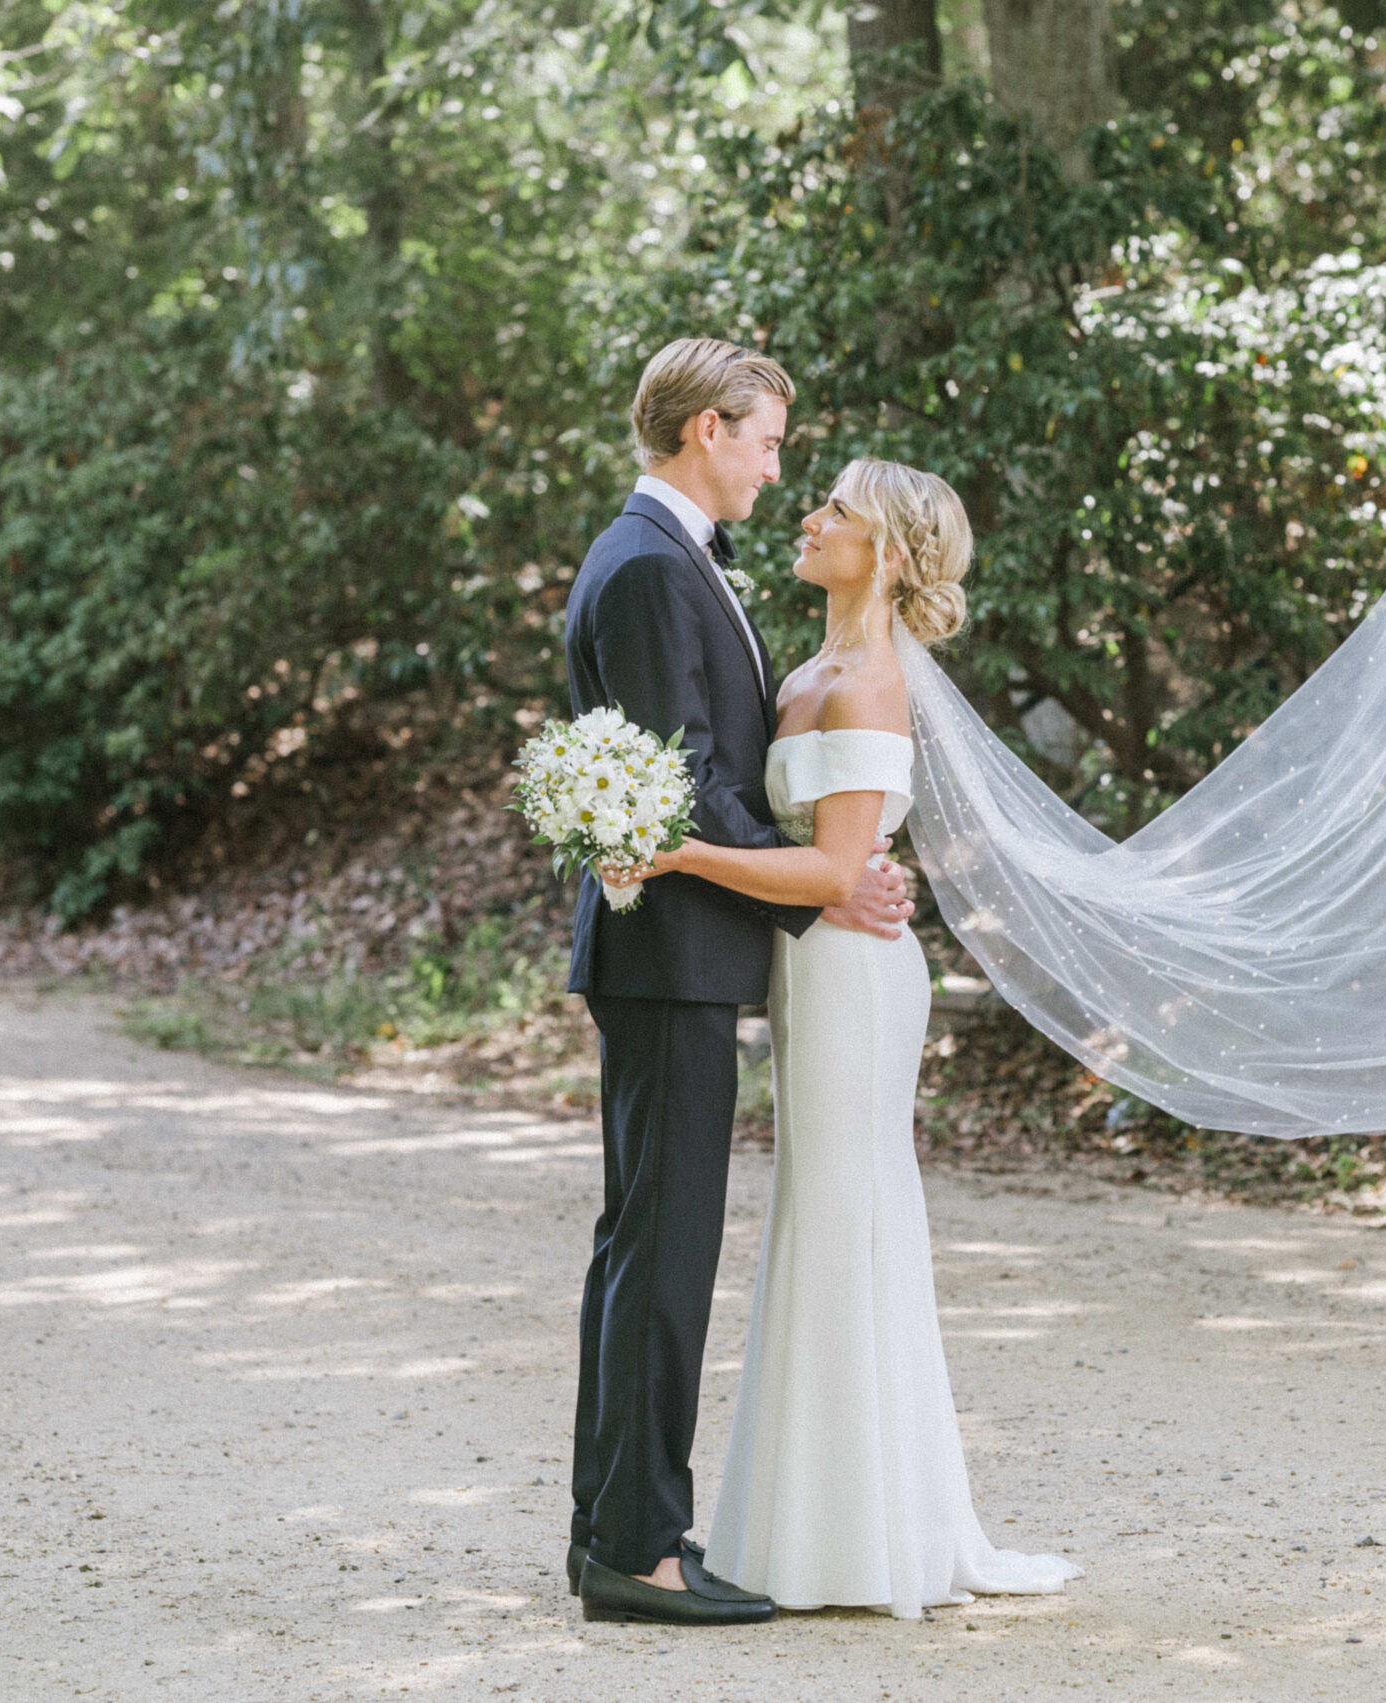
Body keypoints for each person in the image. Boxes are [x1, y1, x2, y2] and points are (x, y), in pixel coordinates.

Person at [627, 458, 1080, 1617]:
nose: (810, 515)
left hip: (854, 976)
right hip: (807, 963)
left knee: (843, 1217)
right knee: (817, 1220)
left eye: (836, 510)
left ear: (882, 551)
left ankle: (861, 1537)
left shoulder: (870, 683)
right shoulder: (808, 670)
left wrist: (670, 851)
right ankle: (815, 1524)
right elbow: (824, 855)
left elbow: (834, 868)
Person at [561, 339, 917, 1628]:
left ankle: (617, 1526)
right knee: (660, 1253)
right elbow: (690, 778)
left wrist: (817, 875)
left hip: (679, 953)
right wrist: (823, 877)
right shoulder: (655, 568)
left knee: (643, 1245)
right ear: (707, 429)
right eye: (766, 439)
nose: (778, 466)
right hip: (672, 958)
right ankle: (637, 1551)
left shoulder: (659, 557)